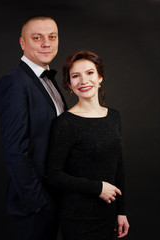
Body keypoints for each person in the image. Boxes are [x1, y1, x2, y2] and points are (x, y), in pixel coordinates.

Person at [0, 15, 67, 240]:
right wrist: (36, 201)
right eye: (37, 38)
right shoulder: (14, 82)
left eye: (52, 37)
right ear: (22, 43)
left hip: (57, 195)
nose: (46, 43)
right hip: (36, 202)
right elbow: (15, 148)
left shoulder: (49, 81)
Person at [46, 50, 130, 240]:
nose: (83, 81)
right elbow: (54, 175)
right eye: (76, 76)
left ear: (100, 77)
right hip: (78, 218)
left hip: (108, 215)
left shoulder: (113, 117)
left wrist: (121, 211)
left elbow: (118, 167)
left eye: (90, 73)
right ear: (69, 84)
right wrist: (97, 188)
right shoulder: (65, 123)